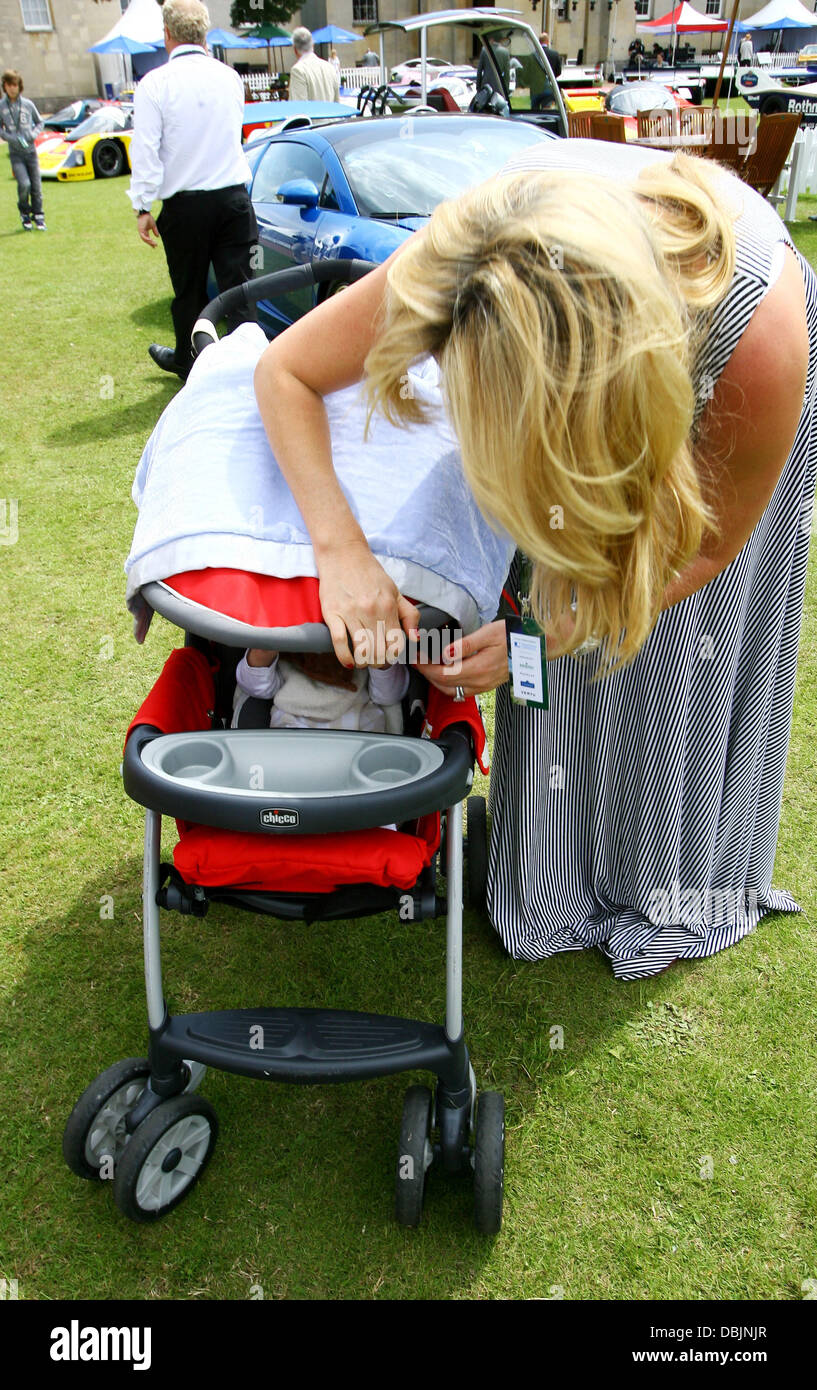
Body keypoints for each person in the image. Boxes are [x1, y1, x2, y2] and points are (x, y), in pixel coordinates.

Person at [251, 140, 816, 980]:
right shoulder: (461, 258)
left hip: (720, 371)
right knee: (560, 628)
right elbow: (285, 369)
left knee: (664, 647)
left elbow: (709, 545)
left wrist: (557, 632)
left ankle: (665, 870)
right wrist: (343, 551)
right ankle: (550, 870)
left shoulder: (760, 340)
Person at [129, 0, 257, 382]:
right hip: (233, 199)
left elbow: (146, 150)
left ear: (167, 34)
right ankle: (247, 369)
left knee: (189, 292)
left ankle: (190, 365)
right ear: (204, 34)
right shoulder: (230, 77)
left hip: (186, 206)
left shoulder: (155, 84)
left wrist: (142, 206)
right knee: (240, 290)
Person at [232, 647, 408, 732]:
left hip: (357, 720)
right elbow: (256, 689)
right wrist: (263, 650)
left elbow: (388, 696)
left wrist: (378, 654)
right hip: (294, 720)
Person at [0, 69, 46, 231]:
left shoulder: (27, 104)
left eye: (15, 85)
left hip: (31, 152)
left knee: (36, 186)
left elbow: (40, 122)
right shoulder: (1, 106)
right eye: (9, 85)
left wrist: (33, 134)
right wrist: (9, 137)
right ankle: (24, 212)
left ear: (20, 86)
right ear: (4, 87)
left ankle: (39, 216)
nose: (13, 88)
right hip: (16, 154)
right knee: (24, 184)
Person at [289, 27, 341, 103]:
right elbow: (337, 103)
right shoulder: (330, 67)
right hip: (332, 114)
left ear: (295, 49)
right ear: (312, 45)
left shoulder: (298, 70)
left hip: (311, 114)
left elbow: (298, 106)